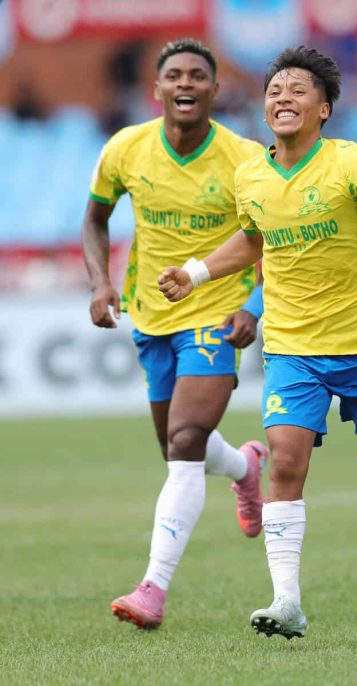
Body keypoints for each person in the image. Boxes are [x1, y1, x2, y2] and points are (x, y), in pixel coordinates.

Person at [158, 46, 357, 640]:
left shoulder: (354, 163)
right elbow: (254, 241)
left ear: (324, 108)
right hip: (291, 346)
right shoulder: (251, 176)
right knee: (285, 459)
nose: (282, 97)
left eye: (298, 90)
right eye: (274, 90)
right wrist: (196, 272)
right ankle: (287, 601)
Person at [82, 38, 268, 630]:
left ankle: (152, 589)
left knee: (185, 441)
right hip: (151, 314)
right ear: (157, 88)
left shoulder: (245, 159)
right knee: (176, 443)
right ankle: (244, 467)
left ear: (215, 89)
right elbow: (95, 218)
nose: (185, 83)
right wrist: (100, 282)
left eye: (197, 75)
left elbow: (278, 238)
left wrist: (255, 306)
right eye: (175, 75)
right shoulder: (126, 148)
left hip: (216, 312)